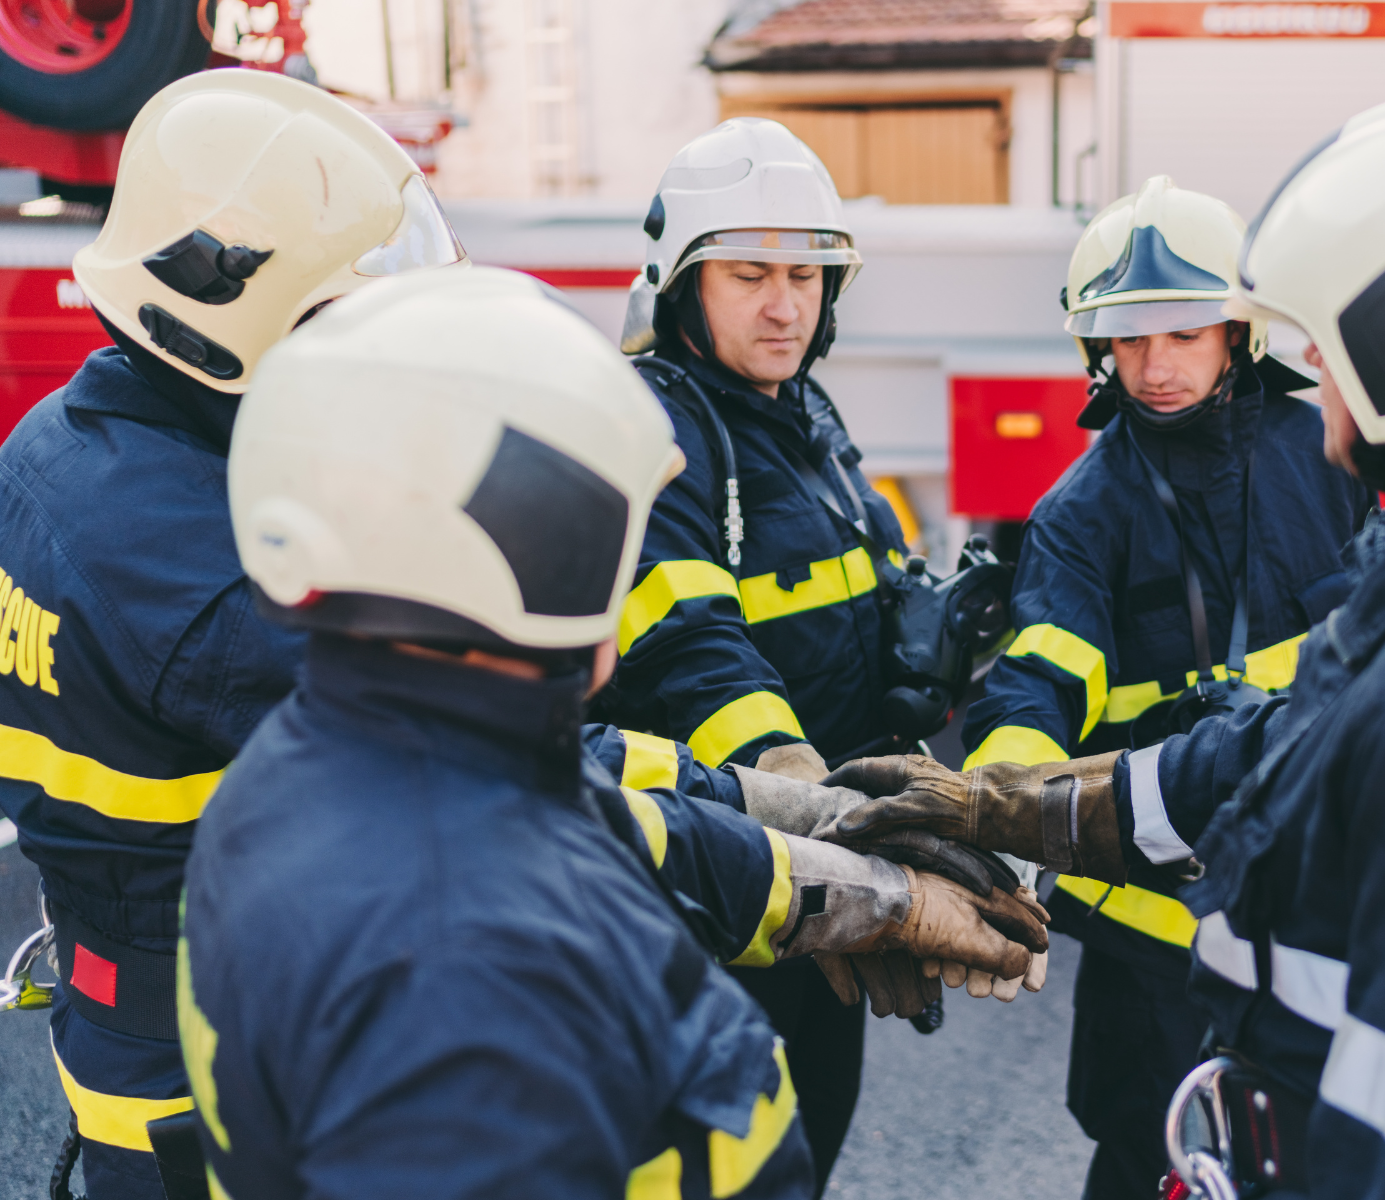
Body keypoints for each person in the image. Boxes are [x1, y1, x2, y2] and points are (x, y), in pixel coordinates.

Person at [827, 89, 1385, 1198]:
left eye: (1335, 340)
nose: (1318, 371)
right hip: (1232, 1028)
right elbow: (1292, 750)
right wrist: (1019, 809)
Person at [178, 266, 1050, 1199]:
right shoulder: (462, 971)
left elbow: (652, 825)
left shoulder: (368, 759)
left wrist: (876, 884)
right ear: (541, 560)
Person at [0, 70, 466, 1199]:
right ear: (233, 315)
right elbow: (496, 765)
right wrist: (794, 861)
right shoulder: (208, 587)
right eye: (344, 325)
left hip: (146, 1010)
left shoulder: (70, 441)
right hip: (224, 1072)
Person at [956, 175, 1372, 1198]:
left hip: (1319, 900)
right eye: (1129, 340)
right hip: (1156, 932)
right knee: (1149, 1155)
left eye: (1183, 334)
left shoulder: (1329, 458)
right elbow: (1038, 681)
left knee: (1325, 1156)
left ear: (1238, 333)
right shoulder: (1082, 510)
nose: (1155, 367)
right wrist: (989, 814)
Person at [599, 116, 919, 1188]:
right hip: (722, 881)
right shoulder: (658, 432)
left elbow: (864, 591)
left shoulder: (800, 414)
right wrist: (815, 814)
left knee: (808, 1138)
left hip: (828, 874)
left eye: (806, 275)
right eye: (750, 276)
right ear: (686, 286)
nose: (786, 305)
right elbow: (700, 653)